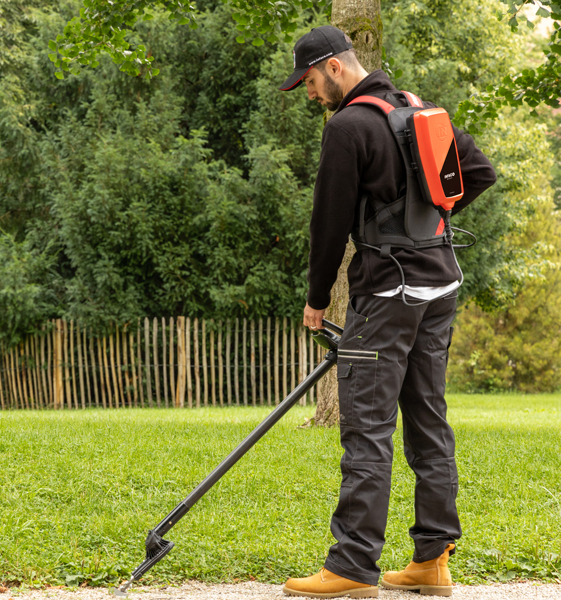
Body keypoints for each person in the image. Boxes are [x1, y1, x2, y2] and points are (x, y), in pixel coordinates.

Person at [278, 25, 497, 598]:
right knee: (428, 420)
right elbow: (479, 173)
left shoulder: (348, 126)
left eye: (307, 80)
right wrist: (427, 219)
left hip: (386, 295)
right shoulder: (420, 111)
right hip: (440, 286)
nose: (307, 92)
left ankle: (352, 567)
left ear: (332, 67)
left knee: (367, 429)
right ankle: (432, 561)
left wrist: (317, 297)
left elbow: (328, 224)